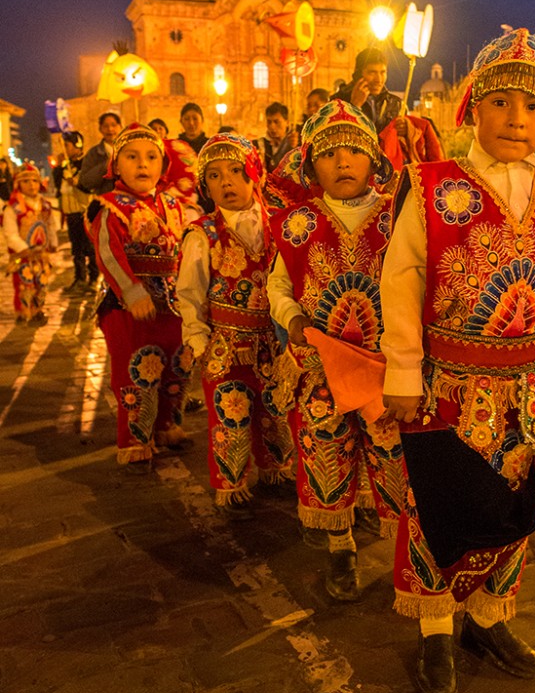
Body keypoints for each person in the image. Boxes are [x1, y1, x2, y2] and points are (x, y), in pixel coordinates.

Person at [380, 28, 535, 693]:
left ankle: (490, 617)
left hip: (527, 390)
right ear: (472, 106)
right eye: (500, 102)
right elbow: (403, 280)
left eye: (531, 107)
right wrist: (405, 374)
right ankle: (435, 628)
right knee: (433, 506)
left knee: (510, 502)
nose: (515, 119)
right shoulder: (433, 187)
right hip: (447, 386)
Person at [267, 99, 405, 601]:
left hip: (386, 368)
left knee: (394, 455)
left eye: (354, 150)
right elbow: (277, 287)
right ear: (309, 166)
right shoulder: (295, 224)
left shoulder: (401, 213)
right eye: (329, 154)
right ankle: (340, 545)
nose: (342, 162)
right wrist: (294, 320)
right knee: (327, 450)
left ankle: (405, 549)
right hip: (320, 365)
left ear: (375, 159)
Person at [176, 134, 295, 517]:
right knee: (232, 413)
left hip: (272, 341)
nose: (226, 182)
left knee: (275, 411)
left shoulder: (281, 224)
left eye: (234, 171)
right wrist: (197, 337)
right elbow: (190, 292)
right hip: (226, 343)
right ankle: (232, 483)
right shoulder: (202, 234)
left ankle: (275, 469)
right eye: (214, 176)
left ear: (255, 174)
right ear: (205, 185)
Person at [86, 123, 192, 470]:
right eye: (132, 157)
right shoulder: (110, 206)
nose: (142, 165)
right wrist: (131, 291)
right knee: (136, 371)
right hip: (127, 307)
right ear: (116, 166)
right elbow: (108, 252)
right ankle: (135, 438)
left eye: (151, 157)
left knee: (174, 367)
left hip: (171, 305)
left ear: (163, 165)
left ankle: (166, 426)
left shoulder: (173, 206)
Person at [333, 47, 444, 173]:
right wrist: (355, 106)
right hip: (352, 171)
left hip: (387, 174)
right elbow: (336, 139)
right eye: (372, 72)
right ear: (358, 74)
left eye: (382, 72)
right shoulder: (338, 101)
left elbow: (402, 147)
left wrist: (407, 130)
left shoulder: (395, 103)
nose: (379, 79)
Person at [3, 162, 58, 325]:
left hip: (41, 254)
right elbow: (10, 233)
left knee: (41, 283)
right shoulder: (13, 207)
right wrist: (24, 249)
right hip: (23, 255)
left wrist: (53, 242)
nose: (31, 185)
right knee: (24, 284)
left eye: (34, 181)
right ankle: (24, 314)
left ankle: (38, 311)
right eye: (26, 181)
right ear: (17, 184)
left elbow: (50, 225)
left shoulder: (45, 205)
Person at [53, 131, 99, 293]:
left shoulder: (86, 163)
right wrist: (59, 168)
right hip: (70, 212)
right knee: (76, 249)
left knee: (90, 248)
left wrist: (77, 182)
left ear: (77, 145)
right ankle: (80, 278)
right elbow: (57, 186)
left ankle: (94, 278)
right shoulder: (65, 164)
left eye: (67, 145)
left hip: (84, 212)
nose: (64, 148)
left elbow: (90, 185)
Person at [78, 111, 121, 195]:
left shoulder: (128, 150)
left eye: (113, 125)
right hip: (104, 202)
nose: (110, 129)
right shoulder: (94, 153)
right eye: (106, 126)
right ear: (100, 129)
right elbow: (85, 182)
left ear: (120, 126)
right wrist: (105, 166)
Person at [254, 102, 299, 173]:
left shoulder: (295, 141)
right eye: (269, 122)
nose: (272, 126)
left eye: (276, 122)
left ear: (287, 122)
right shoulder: (258, 145)